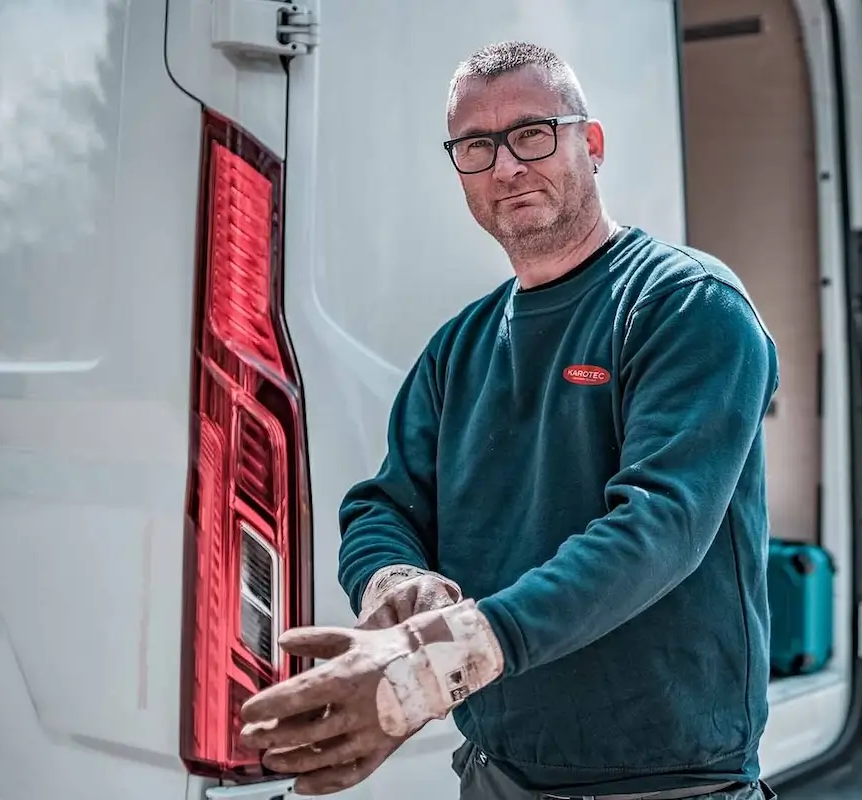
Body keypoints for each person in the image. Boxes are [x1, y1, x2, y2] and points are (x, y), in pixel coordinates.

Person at [238, 41, 780, 800]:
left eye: (532, 134)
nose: (505, 167)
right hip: (496, 777)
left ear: (589, 143)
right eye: (475, 147)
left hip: (668, 784)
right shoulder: (459, 347)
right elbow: (383, 504)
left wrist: (452, 653)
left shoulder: (683, 304)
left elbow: (662, 524)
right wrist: (400, 582)